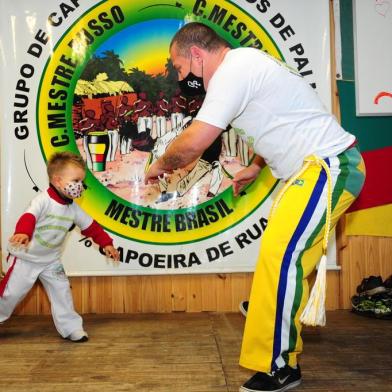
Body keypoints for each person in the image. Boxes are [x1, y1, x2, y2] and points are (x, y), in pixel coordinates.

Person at [145, 22, 366, 392]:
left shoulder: (233, 71)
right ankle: (274, 313)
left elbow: (193, 143)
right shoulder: (244, 68)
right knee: (279, 258)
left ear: (196, 55)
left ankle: (279, 365)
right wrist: (254, 166)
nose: (181, 78)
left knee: (282, 260)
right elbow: (276, 119)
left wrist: (159, 165)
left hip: (329, 167)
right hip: (311, 171)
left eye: (180, 69)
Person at [0, 152, 120, 342]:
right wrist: (23, 232)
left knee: (62, 292)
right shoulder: (42, 201)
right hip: (25, 258)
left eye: (82, 181)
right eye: (76, 180)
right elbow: (28, 217)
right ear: (57, 180)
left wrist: (107, 244)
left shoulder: (73, 209)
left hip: (50, 261)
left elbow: (92, 227)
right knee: (10, 294)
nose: (81, 185)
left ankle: (72, 328)